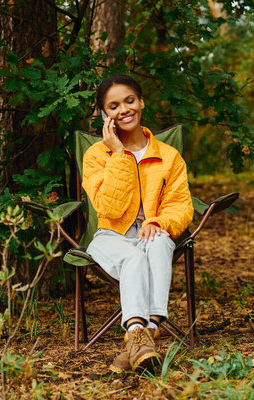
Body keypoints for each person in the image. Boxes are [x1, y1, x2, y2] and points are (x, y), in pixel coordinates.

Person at [82, 75, 193, 373]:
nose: (124, 110)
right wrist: (118, 154)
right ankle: (141, 335)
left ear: (141, 102)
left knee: (157, 243)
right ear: (105, 115)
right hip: (111, 236)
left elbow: (182, 205)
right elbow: (108, 207)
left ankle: (141, 338)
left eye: (129, 101)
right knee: (132, 255)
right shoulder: (96, 155)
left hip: (153, 233)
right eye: (113, 106)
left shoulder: (168, 156)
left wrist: (158, 221)